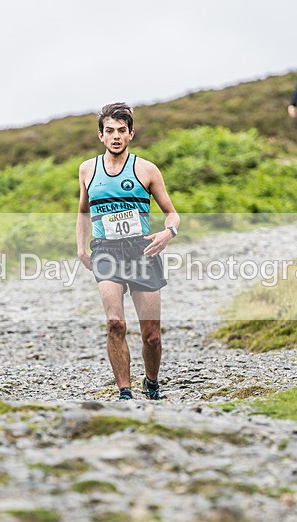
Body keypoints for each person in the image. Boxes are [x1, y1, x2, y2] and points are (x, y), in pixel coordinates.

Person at [76, 102, 180, 400]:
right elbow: (83, 212)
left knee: (152, 336)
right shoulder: (87, 169)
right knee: (115, 323)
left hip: (142, 251)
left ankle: (151, 381)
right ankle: (124, 391)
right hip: (106, 251)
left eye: (122, 131)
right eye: (110, 131)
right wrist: (81, 248)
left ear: (131, 134)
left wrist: (168, 232)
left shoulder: (146, 169)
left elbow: (172, 213)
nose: (116, 136)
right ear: (101, 136)